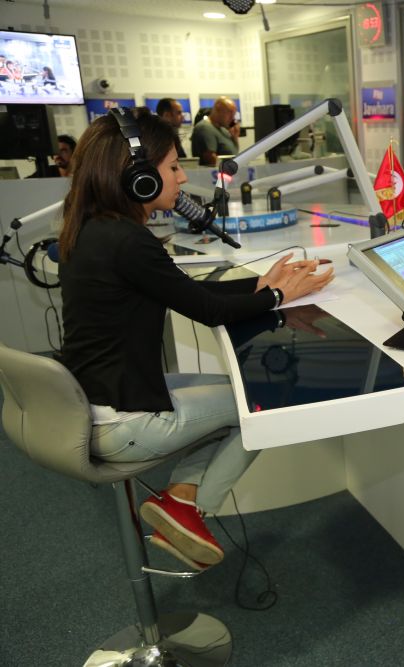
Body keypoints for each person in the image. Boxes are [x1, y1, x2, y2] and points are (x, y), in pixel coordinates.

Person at [57, 109, 334, 570]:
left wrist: (260, 284)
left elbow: (187, 292)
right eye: (172, 167)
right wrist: (280, 295)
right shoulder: (127, 241)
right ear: (139, 178)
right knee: (265, 403)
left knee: (237, 395)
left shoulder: (92, 229)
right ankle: (191, 509)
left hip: (95, 403)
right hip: (123, 422)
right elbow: (208, 311)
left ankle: (182, 498)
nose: (183, 177)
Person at [191, 96, 239, 166]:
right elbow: (210, 160)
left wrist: (235, 138)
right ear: (218, 109)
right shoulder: (205, 128)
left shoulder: (224, 130)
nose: (232, 117)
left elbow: (234, 153)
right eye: (229, 112)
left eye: (234, 114)